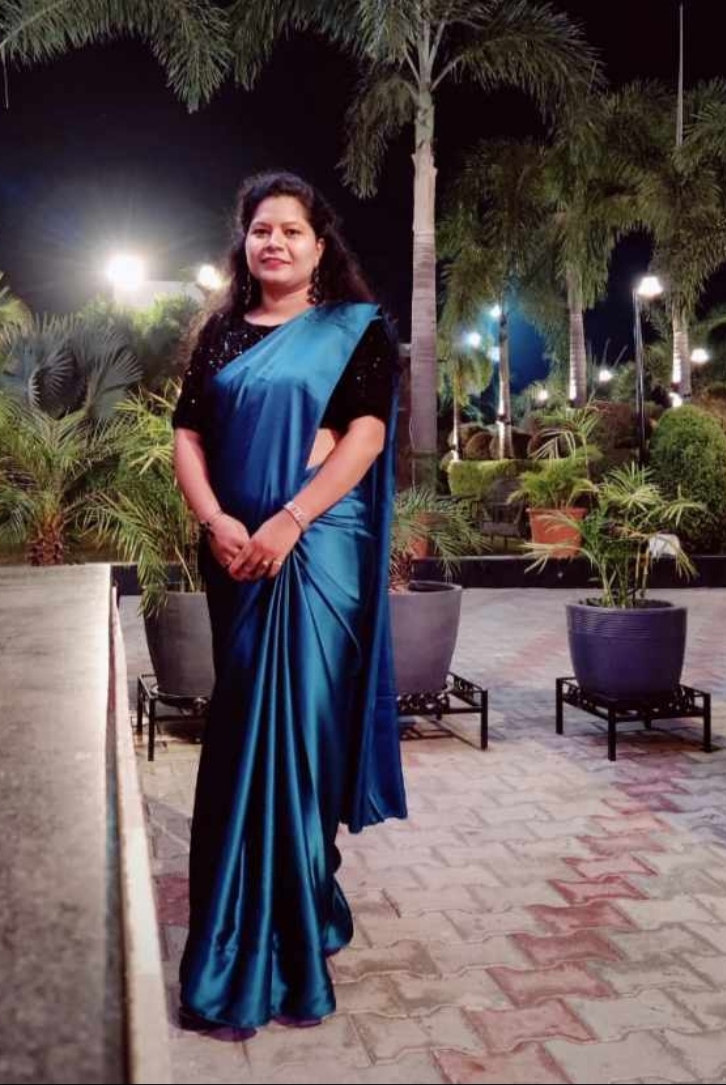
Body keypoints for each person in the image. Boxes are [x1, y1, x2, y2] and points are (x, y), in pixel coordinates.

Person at [172, 171, 406, 1031]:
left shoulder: (354, 329)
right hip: (235, 554)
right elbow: (187, 435)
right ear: (244, 243)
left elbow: (366, 436)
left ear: (318, 244)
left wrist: (290, 519)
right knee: (242, 736)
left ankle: (298, 919)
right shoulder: (221, 334)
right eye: (261, 229)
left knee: (302, 736)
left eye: (291, 230)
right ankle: (235, 932)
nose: (273, 241)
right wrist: (216, 521)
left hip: (317, 549)